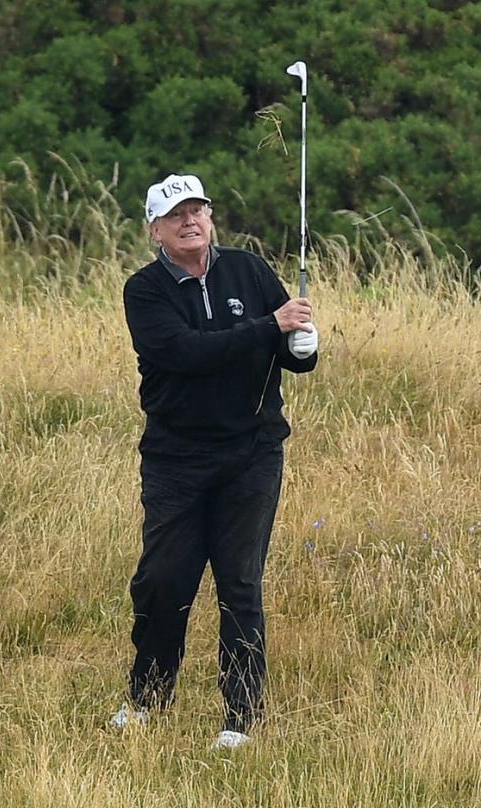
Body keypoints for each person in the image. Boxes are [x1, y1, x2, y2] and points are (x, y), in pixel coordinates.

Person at [112, 173, 319, 749]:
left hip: (251, 453)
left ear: (210, 217)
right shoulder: (145, 290)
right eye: (176, 214)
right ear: (156, 230)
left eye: (198, 209)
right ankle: (149, 699)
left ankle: (240, 719)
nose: (190, 221)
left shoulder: (249, 271)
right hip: (176, 457)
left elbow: (289, 343)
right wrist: (270, 328)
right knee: (163, 580)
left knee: (240, 584)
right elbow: (183, 354)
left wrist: (304, 347)